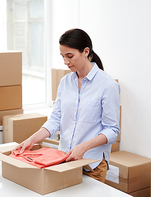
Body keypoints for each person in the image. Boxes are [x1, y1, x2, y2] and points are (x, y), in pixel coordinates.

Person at [13, 28, 120, 182]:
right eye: (63, 56)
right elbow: (56, 119)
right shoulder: (65, 82)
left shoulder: (107, 85)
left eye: (70, 56)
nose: (66, 62)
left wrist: (83, 147)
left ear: (85, 51)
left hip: (91, 164)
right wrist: (31, 140)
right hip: (64, 160)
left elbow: (112, 130)